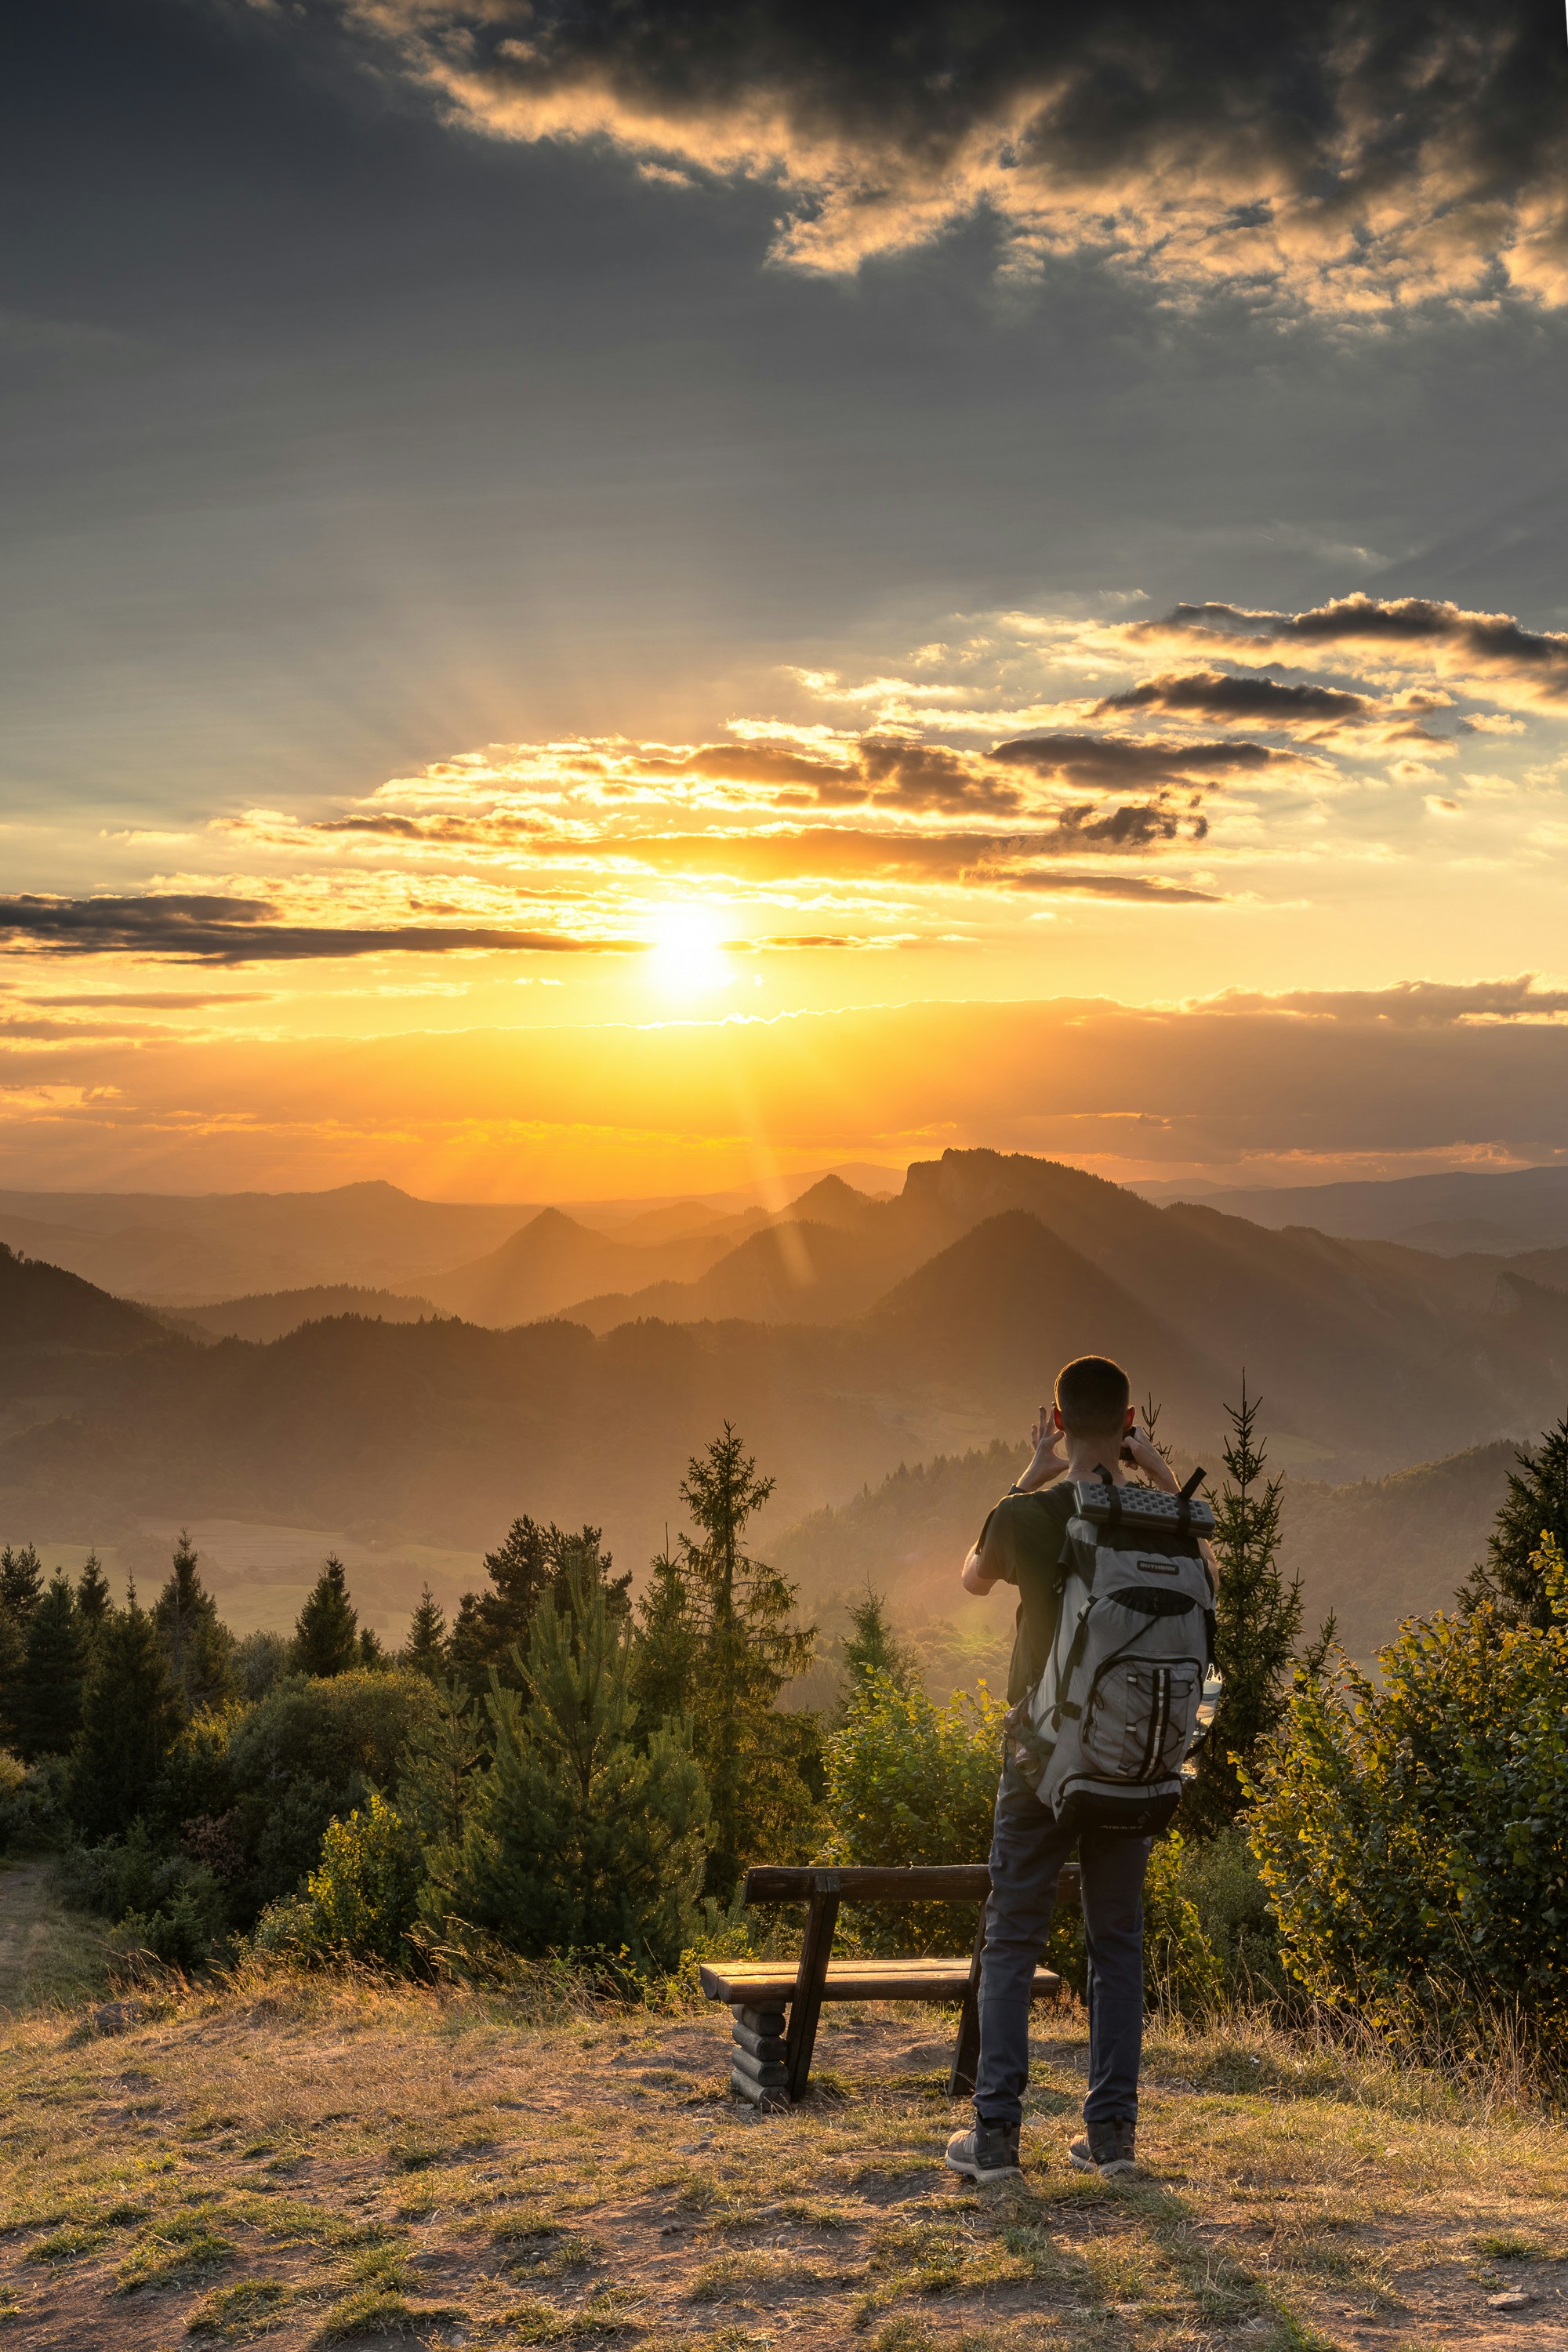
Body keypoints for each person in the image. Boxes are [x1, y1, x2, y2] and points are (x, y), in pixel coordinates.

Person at [943, 1354, 1215, 2185]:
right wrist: (1158, 1469)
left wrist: (1031, 1471)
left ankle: (993, 2138)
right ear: (1128, 1420)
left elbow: (971, 1580)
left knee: (1012, 1939)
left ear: (1058, 1422)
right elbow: (1210, 1585)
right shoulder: (1169, 1521)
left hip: (1038, 1761)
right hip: (1131, 1762)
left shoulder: (1029, 1512)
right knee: (1116, 1945)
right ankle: (1111, 2140)